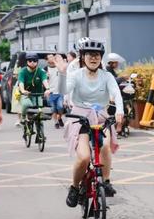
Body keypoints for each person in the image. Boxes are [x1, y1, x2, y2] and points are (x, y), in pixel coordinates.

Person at [53, 37, 124, 206]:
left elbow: (116, 93)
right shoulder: (76, 75)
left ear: (101, 58)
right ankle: (74, 187)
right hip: (80, 118)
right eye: (89, 54)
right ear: (83, 57)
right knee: (84, 157)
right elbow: (63, 90)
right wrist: (62, 73)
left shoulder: (106, 76)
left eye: (97, 55)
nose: (93, 58)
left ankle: (106, 182)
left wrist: (120, 111)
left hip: (101, 117)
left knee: (104, 146)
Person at [18, 52, 51, 122]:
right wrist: (23, 91)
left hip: (38, 94)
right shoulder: (23, 71)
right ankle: (23, 116)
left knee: (39, 112)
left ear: (37, 62)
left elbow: (44, 80)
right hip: (26, 94)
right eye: (30, 60)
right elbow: (21, 83)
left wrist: (48, 89)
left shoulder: (41, 71)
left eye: (34, 60)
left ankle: (39, 127)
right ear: (27, 62)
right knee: (27, 104)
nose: (32, 62)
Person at [46, 54, 65, 128]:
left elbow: (62, 70)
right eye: (50, 57)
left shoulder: (58, 67)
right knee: (53, 109)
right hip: (51, 92)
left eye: (52, 56)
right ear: (47, 60)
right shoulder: (46, 69)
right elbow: (44, 81)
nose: (52, 58)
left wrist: (56, 62)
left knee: (60, 107)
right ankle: (56, 122)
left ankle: (59, 118)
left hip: (60, 91)